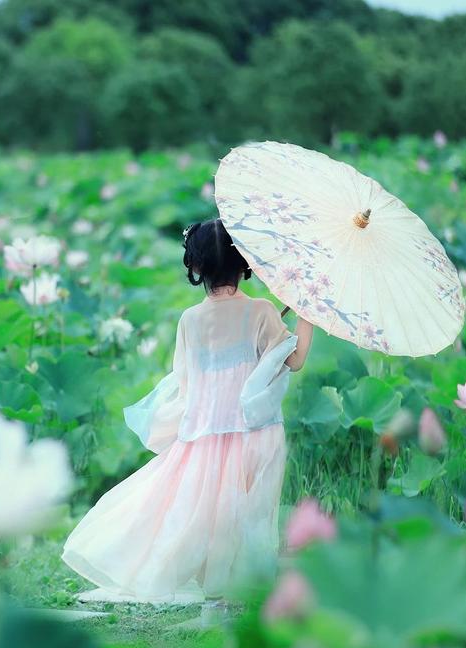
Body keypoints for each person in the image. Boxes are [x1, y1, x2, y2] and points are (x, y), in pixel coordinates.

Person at [61, 218, 314, 606]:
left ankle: (213, 593)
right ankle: (235, 591)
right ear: (244, 262)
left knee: (201, 513)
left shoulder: (190, 320)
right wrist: (306, 315)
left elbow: (187, 381)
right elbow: (292, 361)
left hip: (204, 434)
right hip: (254, 434)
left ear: (195, 267)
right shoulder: (262, 312)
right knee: (244, 513)